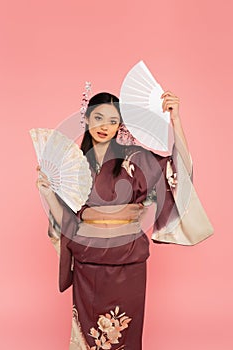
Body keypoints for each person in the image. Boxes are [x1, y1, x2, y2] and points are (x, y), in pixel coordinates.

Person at [36, 91, 193, 350]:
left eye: (112, 120)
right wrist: (47, 193)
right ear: (85, 118)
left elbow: (177, 172)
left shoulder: (136, 158)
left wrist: (175, 120)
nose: (104, 126)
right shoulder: (72, 164)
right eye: (98, 117)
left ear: (120, 125)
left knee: (123, 335)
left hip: (128, 261)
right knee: (89, 337)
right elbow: (68, 222)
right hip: (87, 262)